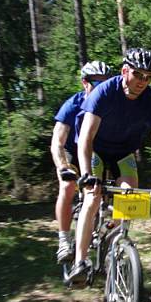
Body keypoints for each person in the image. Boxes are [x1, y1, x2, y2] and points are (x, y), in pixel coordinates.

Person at [65, 47, 151, 287]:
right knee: (92, 198)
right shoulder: (104, 92)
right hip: (96, 149)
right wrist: (86, 176)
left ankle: (115, 246)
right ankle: (80, 263)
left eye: (149, 77)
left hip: (124, 152)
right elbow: (85, 139)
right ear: (125, 71)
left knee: (130, 197)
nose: (143, 82)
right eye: (138, 74)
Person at [51, 60, 111, 263]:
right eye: (97, 82)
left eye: (107, 82)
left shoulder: (110, 105)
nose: (102, 87)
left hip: (94, 152)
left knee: (100, 192)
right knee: (68, 186)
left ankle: (99, 230)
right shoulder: (72, 105)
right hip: (70, 152)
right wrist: (62, 168)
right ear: (85, 82)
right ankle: (64, 240)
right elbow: (57, 142)